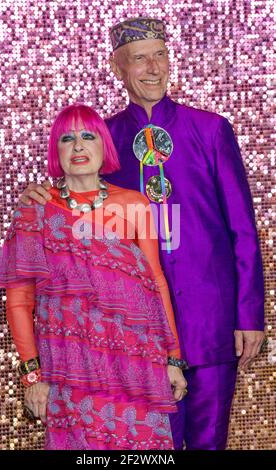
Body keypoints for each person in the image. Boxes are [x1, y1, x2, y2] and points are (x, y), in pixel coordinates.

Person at [19, 18, 266, 450]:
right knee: (147, 447)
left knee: (210, 441)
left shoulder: (210, 130)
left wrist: (249, 316)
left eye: (160, 55)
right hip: (135, 333)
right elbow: (80, 201)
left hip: (212, 318)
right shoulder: (105, 137)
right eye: (139, 59)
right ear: (118, 68)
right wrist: (43, 193)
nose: (153, 68)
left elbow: (243, 230)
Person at [0, 103, 187, 450]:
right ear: (56, 151)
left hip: (134, 364)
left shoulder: (135, 204)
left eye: (88, 136)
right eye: (67, 138)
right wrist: (33, 377)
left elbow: (156, 283)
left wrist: (172, 358)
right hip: (69, 370)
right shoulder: (36, 207)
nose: (78, 146)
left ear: (104, 146)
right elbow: (19, 301)